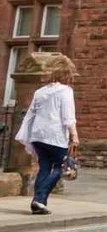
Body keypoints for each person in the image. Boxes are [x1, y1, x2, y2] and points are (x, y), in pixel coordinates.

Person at [14, 54, 79, 215]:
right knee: (61, 167)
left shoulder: (40, 92)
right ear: (67, 75)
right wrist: (74, 135)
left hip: (38, 135)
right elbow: (68, 116)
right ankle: (39, 199)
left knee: (44, 167)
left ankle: (38, 203)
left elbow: (31, 113)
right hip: (55, 136)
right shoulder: (66, 91)